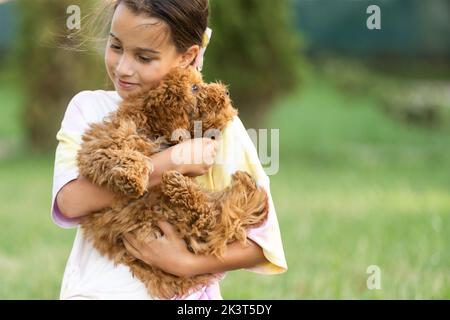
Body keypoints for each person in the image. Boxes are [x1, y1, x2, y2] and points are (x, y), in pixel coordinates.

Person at [51, 0, 287, 300]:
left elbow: (262, 242)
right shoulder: (88, 108)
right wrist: (171, 161)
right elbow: (71, 202)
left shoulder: (213, 122)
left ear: (188, 56)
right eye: (116, 46)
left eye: (144, 57)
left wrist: (186, 263)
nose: (123, 67)